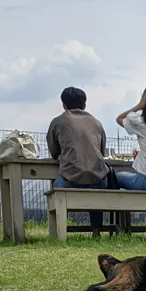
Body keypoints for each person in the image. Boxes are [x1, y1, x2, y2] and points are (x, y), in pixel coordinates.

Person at [47, 87, 111, 237]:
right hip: (99, 179)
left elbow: (54, 152)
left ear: (63, 105)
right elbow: (101, 151)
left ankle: (58, 231)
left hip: (70, 179)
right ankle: (96, 231)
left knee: (56, 188)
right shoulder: (97, 122)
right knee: (96, 188)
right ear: (85, 104)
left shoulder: (58, 122)